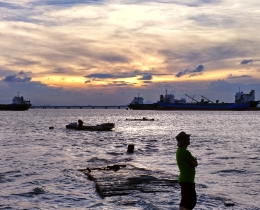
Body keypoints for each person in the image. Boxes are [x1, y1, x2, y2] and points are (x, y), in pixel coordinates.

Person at [176, 131, 198, 210]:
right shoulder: (185, 152)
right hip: (187, 179)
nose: (189, 139)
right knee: (192, 202)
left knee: (184, 200)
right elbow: (195, 163)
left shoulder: (179, 151)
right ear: (185, 141)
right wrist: (194, 160)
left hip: (183, 178)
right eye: (188, 138)